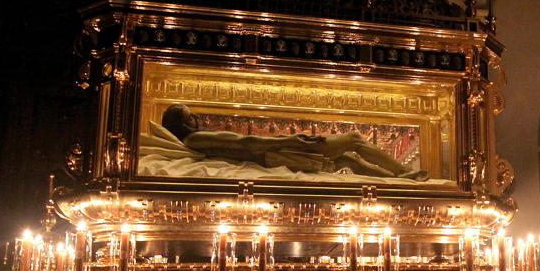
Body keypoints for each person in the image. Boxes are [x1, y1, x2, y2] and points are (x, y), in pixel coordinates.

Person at [159, 103, 428, 179]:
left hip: (275, 153)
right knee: (354, 140)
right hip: (280, 150)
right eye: (189, 116)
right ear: (182, 124)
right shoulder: (198, 138)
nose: (195, 118)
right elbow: (246, 142)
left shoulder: (195, 140)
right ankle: (403, 172)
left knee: (347, 160)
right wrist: (291, 140)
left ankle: (399, 179)